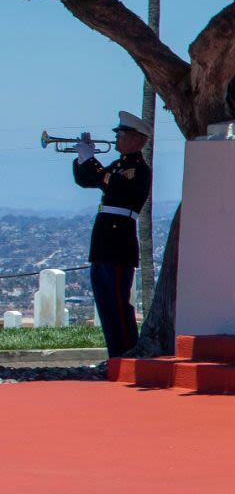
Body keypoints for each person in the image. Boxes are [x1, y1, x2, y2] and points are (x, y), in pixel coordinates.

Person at [71, 111, 152, 358]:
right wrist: (81, 158)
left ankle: (126, 353)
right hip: (105, 240)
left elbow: (111, 184)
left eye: (123, 134)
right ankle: (115, 354)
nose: (117, 139)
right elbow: (86, 181)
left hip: (119, 241)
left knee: (117, 302)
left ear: (137, 140)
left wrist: (90, 160)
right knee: (105, 303)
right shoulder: (119, 164)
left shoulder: (137, 168)